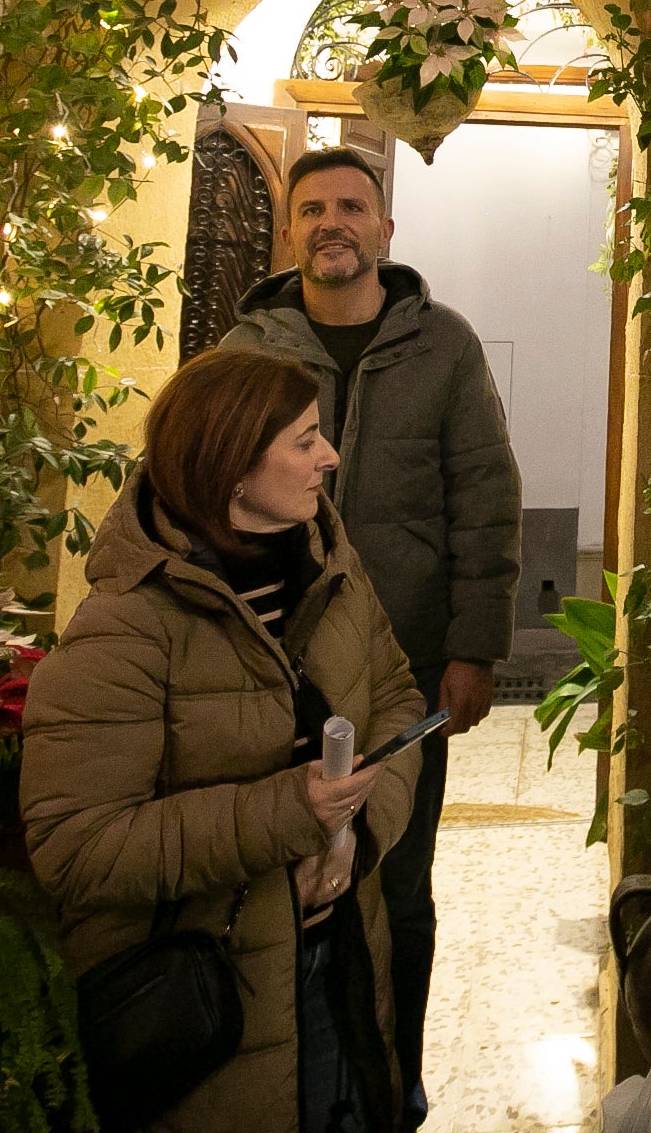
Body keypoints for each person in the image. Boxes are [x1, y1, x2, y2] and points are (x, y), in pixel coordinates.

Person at [23, 345, 431, 1133]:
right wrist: (288, 814)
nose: (331, 457)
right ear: (233, 469)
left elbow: (397, 698)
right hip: (221, 1005)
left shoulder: (331, 569)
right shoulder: (126, 630)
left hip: (341, 955)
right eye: (305, 440)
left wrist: (360, 835)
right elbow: (75, 845)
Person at [216, 144, 519, 1125]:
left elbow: (485, 499)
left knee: (400, 881)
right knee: (276, 874)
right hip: (269, 664)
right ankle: (290, 1073)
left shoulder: (446, 346)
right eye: (314, 207)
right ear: (290, 225)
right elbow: (197, 489)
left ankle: (397, 1074)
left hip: (408, 666)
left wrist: (474, 646)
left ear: (386, 230)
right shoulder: (244, 352)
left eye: (353, 205)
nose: (333, 222)